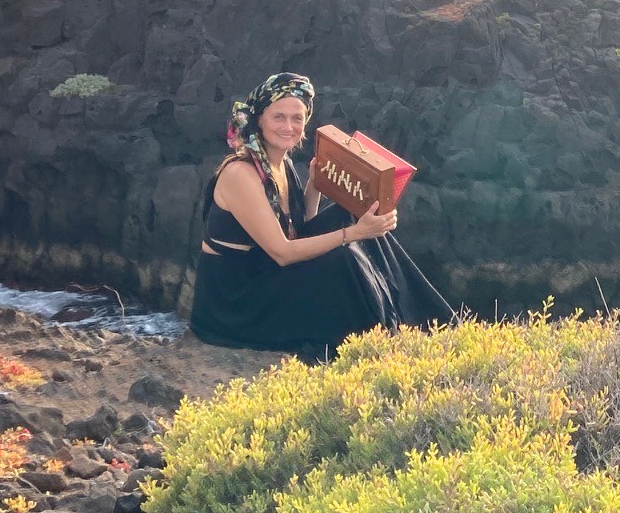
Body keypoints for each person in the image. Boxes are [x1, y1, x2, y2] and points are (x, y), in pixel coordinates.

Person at [189, 71, 455, 356]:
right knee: (345, 254)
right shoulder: (241, 173)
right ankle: (383, 334)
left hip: (266, 273)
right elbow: (283, 252)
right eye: (278, 117)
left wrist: (315, 185)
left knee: (349, 213)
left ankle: (424, 322)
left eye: (297, 118)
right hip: (235, 302)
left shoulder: (281, 164)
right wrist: (353, 235)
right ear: (259, 119)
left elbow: (299, 230)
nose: (288, 126)